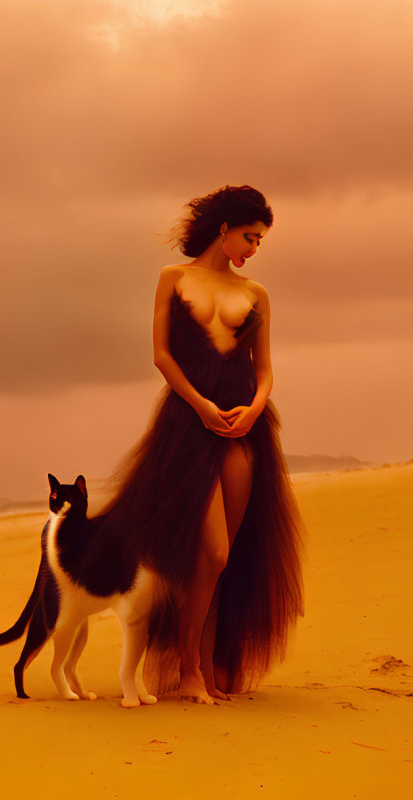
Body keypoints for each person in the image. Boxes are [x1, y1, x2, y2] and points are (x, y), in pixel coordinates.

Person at [104, 185, 303, 704]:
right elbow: (162, 356)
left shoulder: (255, 293)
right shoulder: (174, 279)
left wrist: (256, 407)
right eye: (250, 237)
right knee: (210, 552)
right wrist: (199, 405)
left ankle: (209, 670)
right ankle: (187, 668)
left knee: (224, 559)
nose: (254, 249)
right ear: (225, 228)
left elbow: (264, 370)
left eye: (260, 242)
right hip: (189, 426)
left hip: (243, 426)